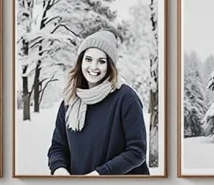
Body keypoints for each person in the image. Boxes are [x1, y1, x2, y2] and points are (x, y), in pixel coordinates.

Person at [48, 30, 149, 176]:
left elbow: (136, 151)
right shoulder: (70, 100)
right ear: (80, 61)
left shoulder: (126, 98)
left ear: (110, 66)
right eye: (88, 59)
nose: (93, 67)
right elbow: (58, 147)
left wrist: (101, 174)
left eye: (101, 61)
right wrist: (59, 170)